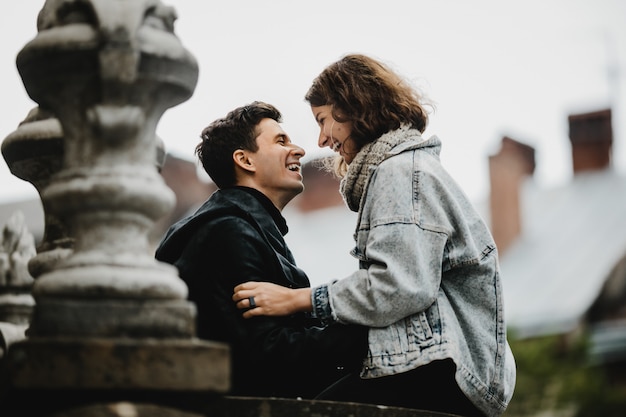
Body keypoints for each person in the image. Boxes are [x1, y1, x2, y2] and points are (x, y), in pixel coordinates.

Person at [233, 55, 516, 416]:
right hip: (449, 365)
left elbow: (399, 286)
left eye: (323, 120)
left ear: (354, 107)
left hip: (440, 366)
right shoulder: (406, 168)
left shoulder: (399, 172)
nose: (321, 139)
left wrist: (297, 300)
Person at [155, 101, 367, 399]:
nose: (299, 150)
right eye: (281, 141)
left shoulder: (239, 225)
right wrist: (369, 333)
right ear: (245, 161)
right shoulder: (229, 231)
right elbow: (267, 352)